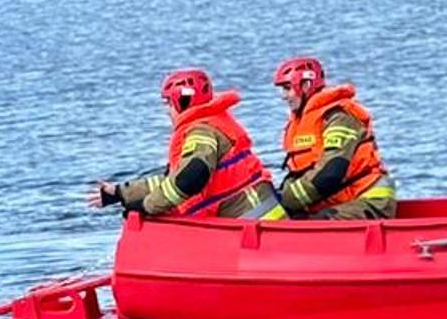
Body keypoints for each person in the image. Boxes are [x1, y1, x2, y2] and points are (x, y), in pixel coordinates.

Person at [88, 68, 286, 220]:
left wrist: (148, 206)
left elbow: (192, 177)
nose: (167, 111)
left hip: (256, 224)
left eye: (168, 103)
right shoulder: (211, 123)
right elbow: (173, 179)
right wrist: (121, 193)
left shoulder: (202, 132)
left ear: (180, 102)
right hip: (255, 219)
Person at [272, 56, 396, 219]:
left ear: (305, 85)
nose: (284, 96)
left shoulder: (339, 118)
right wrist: (276, 197)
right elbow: (299, 173)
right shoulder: (301, 122)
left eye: (287, 88)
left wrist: (285, 201)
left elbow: (331, 172)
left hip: (369, 200)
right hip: (342, 201)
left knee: (311, 226)